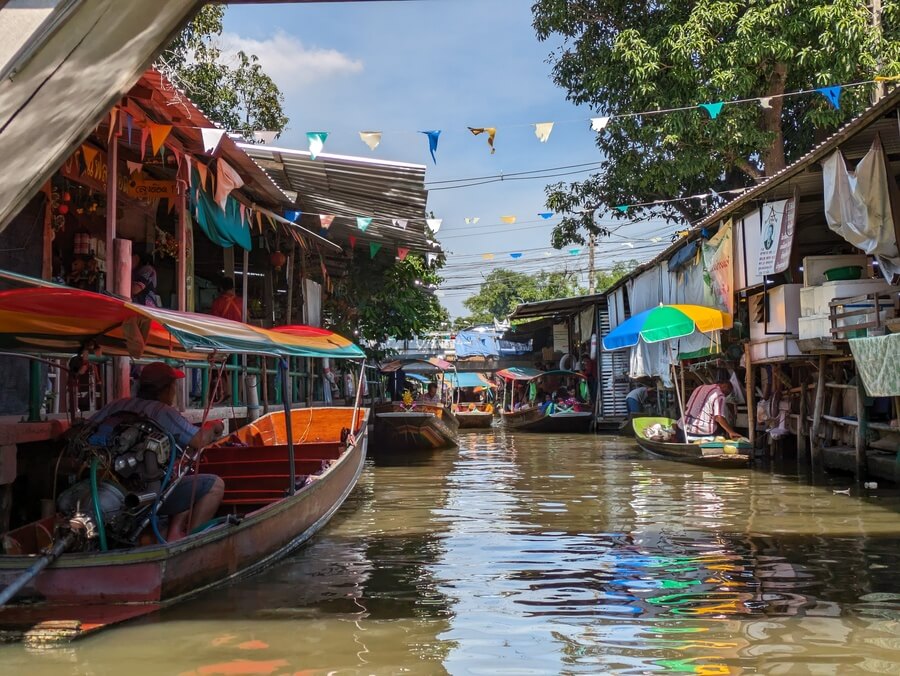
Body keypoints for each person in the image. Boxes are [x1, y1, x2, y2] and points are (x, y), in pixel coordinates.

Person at [88, 362, 225, 541]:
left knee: (176, 473)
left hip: (103, 480)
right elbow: (199, 440)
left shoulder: (117, 405)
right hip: (141, 492)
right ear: (167, 389)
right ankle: (189, 542)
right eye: (174, 386)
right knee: (215, 485)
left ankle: (169, 531)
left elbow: (84, 429)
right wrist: (215, 426)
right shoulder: (162, 411)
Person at [675, 380, 741, 442]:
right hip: (700, 432)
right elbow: (719, 417)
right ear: (725, 386)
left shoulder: (700, 388)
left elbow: (687, 407)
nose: (727, 395)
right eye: (728, 392)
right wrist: (731, 432)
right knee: (720, 434)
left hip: (682, 429)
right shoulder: (719, 395)